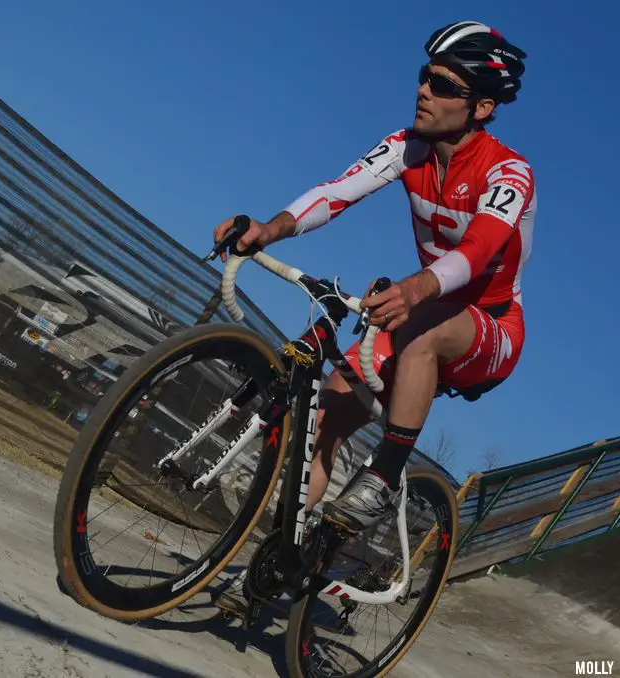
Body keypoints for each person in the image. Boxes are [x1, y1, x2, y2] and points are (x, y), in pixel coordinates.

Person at [212, 20, 536, 612]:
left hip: (490, 329)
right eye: (424, 77)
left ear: (482, 106)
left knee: (423, 325)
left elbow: (481, 249)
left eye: (442, 84)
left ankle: (383, 480)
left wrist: (416, 288)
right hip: (423, 311)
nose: (424, 91)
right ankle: (278, 564)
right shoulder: (406, 148)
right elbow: (336, 192)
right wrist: (268, 229)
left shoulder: (507, 172)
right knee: (326, 419)